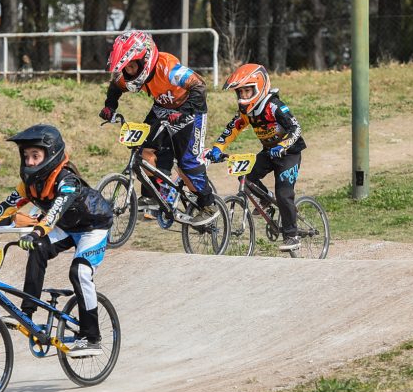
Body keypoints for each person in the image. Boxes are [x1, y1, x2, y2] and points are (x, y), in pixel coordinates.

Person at [0, 124, 113, 359]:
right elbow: (0, 210)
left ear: (51, 154)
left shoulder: (68, 181)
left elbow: (54, 212)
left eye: (36, 156)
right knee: (37, 249)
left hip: (92, 227)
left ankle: (92, 337)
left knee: (80, 272)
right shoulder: (29, 184)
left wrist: (37, 231)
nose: (31, 162)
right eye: (27, 157)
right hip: (66, 227)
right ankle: (27, 314)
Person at [98, 30, 216, 226]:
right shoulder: (134, 74)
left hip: (191, 110)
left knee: (187, 164)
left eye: (132, 66)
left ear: (145, 59)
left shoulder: (167, 67)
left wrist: (184, 111)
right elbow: (116, 86)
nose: (129, 72)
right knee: (142, 150)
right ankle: (153, 195)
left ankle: (208, 203)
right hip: (162, 108)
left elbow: (199, 86)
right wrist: (110, 106)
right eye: (126, 68)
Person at [206, 63, 306, 251]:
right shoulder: (247, 112)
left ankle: (292, 235)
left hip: (289, 154)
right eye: (240, 92)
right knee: (246, 174)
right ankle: (265, 199)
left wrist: (283, 145)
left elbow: (296, 129)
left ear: (260, 87)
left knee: (284, 194)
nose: (243, 97)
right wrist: (218, 148)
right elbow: (232, 128)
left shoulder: (274, 106)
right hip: (269, 152)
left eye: (247, 91)